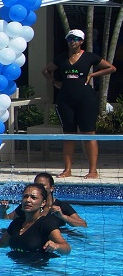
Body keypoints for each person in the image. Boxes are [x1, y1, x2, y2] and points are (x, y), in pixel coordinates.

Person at [41, 29, 117, 179]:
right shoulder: (61, 58)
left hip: (86, 99)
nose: (72, 41)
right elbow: (45, 70)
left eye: (76, 39)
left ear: (81, 41)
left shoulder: (89, 57)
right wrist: (54, 82)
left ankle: (93, 170)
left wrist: (92, 74)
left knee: (89, 134)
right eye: (70, 39)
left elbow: (111, 68)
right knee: (69, 135)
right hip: (65, 100)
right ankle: (68, 169)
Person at [0, 183, 71, 257]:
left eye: (33, 198)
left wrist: (56, 246)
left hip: (37, 272)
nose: (28, 200)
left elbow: (66, 248)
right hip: (16, 271)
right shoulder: (17, 223)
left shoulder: (46, 224)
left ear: (43, 203)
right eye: (25, 197)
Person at [0, 172, 88, 228]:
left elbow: (83, 224)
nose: (39, 188)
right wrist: (2, 211)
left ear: (52, 188)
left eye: (42, 185)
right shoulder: (29, 204)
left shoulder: (61, 206)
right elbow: (6, 218)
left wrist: (62, 216)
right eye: (36, 185)